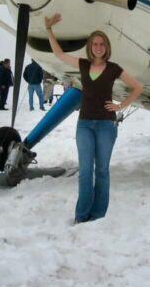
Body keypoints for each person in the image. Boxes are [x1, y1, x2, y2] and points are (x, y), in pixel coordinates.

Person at [43, 13, 142, 223]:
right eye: (95, 44)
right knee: (85, 171)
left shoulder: (114, 68)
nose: (98, 47)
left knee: (103, 171)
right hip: (85, 124)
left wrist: (120, 105)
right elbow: (59, 54)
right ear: (90, 47)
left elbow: (137, 87)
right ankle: (81, 216)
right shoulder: (83, 65)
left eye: (102, 44)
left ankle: (97, 216)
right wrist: (49, 30)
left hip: (106, 124)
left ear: (106, 47)